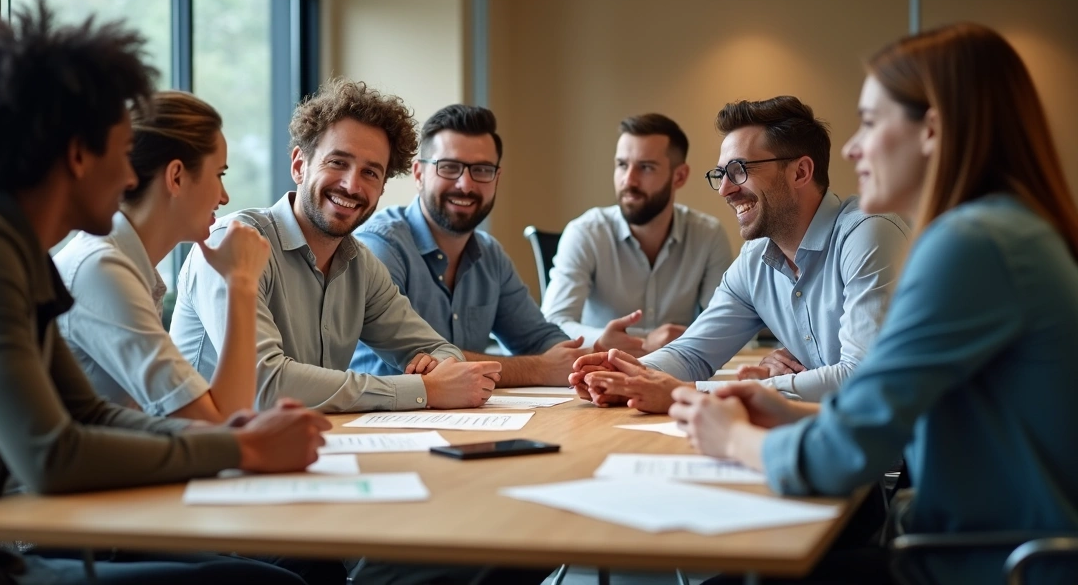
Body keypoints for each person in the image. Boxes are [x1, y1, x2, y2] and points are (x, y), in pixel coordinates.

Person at [0, 1, 329, 585]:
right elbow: (51, 457)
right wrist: (241, 451)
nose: (132, 176)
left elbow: (88, 414)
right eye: (121, 149)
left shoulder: (9, 244)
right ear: (79, 154)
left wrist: (236, 435)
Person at [670, 23, 1078, 584]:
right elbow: (890, 418)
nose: (853, 147)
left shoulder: (972, 246)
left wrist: (734, 438)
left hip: (985, 565)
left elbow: (846, 454)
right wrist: (784, 411)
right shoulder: (1003, 231)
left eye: (869, 122)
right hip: (980, 548)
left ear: (932, 130)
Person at [170, 79, 501, 413]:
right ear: (300, 165)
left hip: (303, 447)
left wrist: (442, 368)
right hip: (209, 453)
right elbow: (265, 384)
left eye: (371, 173)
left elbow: (438, 349)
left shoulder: (362, 266)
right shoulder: (233, 245)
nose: (352, 185)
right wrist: (423, 389)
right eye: (338, 162)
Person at [571, 97, 909, 410]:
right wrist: (629, 374)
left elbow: (862, 378)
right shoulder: (755, 260)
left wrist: (694, 393)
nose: (725, 189)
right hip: (827, 442)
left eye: (738, 171)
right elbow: (692, 353)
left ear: (800, 172)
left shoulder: (868, 234)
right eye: (721, 174)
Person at [55, 91, 269, 422]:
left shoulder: (128, 267)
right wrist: (241, 282)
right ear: (177, 176)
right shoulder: (101, 269)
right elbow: (221, 425)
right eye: (219, 174)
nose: (225, 197)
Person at [350, 104, 587, 386]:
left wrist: (585, 361)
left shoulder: (490, 255)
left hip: (467, 421)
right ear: (418, 174)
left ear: (496, 179)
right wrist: (538, 369)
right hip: (384, 423)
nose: (465, 184)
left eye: (482, 170)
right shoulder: (380, 246)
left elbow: (538, 339)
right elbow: (414, 366)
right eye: (449, 167)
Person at [541, 114, 733, 356]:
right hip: (599, 370)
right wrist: (616, 340)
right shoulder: (586, 233)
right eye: (622, 165)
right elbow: (553, 323)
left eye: (646, 167)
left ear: (679, 176)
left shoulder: (708, 235)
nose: (628, 180)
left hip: (677, 374)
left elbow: (726, 324)